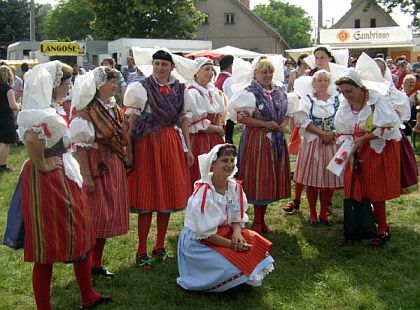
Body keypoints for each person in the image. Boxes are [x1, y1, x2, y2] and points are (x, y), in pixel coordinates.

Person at [7, 61, 111, 309]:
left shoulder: (51, 108)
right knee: (47, 244)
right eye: (66, 82)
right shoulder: (40, 111)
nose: (70, 86)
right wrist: (42, 164)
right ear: (55, 85)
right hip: (48, 181)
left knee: (81, 232)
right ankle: (46, 306)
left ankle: (88, 296)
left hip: (64, 174)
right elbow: (31, 138)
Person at [124, 49, 195, 269]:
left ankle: (160, 245)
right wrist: (128, 150)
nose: (160, 68)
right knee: (147, 197)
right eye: (157, 63)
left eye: (164, 64)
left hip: (170, 143)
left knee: (166, 197)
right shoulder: (140, 88)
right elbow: (131, 123)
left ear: (172, 67)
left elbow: (184, 122)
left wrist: (188, 149)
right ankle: (141, 249)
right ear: (152, 65)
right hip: (147, 144)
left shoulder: (181, 90)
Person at [177, 144, 274, 292]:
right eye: (224, 160)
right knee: (228, 264)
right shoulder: (204, 194)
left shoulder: (234, 187)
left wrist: (237, 233)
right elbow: (205, 235)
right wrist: (232, 245)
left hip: (225, 232)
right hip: (199, 243)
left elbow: (236, 216)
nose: (229, 165)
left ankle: (239, 273)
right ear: (213, 164)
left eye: (232, 160)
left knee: (256, 242)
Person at [334, 53, 402, 246]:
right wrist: (350, 150)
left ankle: (382, 228)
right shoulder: (345, 105)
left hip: (374, 149)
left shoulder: (376, 101)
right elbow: (343, 130)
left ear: (360, 87)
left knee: (375, 189)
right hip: (355, 150)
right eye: (343, 91)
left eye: (349, 91)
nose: (346, 95)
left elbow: (388, 127)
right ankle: (357, 227)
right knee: (354, 188)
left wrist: (363, 139)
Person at [69, 66, 129, 278]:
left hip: (112, 163)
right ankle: (85, 264)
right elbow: (81, 148)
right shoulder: (88, 111)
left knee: (107, 216)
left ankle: (96, 263)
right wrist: (86, 176)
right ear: (100, 84)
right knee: (95, 215)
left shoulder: (113, 107)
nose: (116, 86)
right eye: (112, 82)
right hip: (96, 165)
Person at [228, 58, 292, 234]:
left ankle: (260, 220)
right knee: (259, 177)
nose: (267, 75)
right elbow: (241, 118)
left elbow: (288, 112)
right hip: (257, 139)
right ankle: (256, 221)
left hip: (275, 138)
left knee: (270, 178)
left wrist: (282, 124)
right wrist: (265, 124)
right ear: (255, 74)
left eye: (270, 71)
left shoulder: (279, 91)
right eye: (263, 71)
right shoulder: (249, 93)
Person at [284, 46, 347, 214]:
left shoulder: (338, 75)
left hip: (332, 128)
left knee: (330, 168)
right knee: (305, 166)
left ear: (329, 58)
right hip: (311, 127)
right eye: (317, 57)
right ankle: (297, 200)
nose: (319, 61)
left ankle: (327, 205)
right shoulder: (310, 76)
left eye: (322, 57)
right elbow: (301, 101)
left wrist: (333, 131)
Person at [292, 70, 343, 226]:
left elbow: (343, 119)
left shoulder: (337, 99)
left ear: (329, 83)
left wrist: (332, 133)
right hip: (313, 142)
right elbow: (302, 120)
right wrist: (322, 133)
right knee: (312, 180)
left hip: (332, 142)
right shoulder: (307, 100)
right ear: (313, 83)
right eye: (319, 80)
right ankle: (313, 212)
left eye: (325, 80)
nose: (322, 83)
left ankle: (323, 213)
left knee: (330, 179)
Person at [374, 58, 418, 190]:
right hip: (369, 133)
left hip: (390, 133)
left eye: (381, 69)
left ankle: (390, 185)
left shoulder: (393, 92)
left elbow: (404, 115)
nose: (378, 72)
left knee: (390, 164)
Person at [188, 57, 226, 187]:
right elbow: (197, 124)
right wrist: (218, 129)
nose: (210, 72)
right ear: (197, 72)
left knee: (216, 170)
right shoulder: (193, 93)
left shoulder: (212, 91)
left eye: (212, 69)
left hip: (215, 138)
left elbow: (219, 114)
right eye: (206, 69)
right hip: (201, 140)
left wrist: (219, 130)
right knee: (203, 170)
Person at [0, 65, 20, 172]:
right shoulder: (8, 89)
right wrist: (19, 106)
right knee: (5, 142)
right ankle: (2, 165)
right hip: (6, 117)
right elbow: (13, 105)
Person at [215, 55, 235, 143]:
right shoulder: (229, 79)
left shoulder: (219, 78)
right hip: (227, 117)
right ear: (231, 66)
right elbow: (232, 101)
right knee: (228, 140)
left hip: (221, 116)